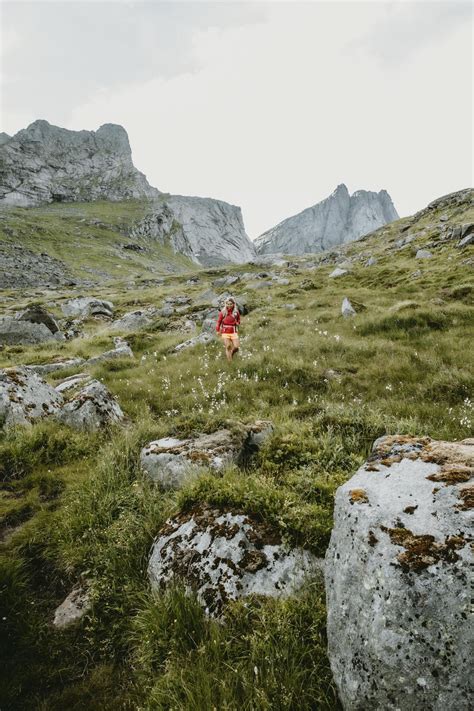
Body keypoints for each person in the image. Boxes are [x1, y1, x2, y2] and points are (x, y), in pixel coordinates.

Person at [216, 296, 241, 362]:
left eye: (231, 304)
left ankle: (232, 353)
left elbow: (239, 320)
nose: (229, 305)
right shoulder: (223, 312)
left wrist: (237, 323)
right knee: (228, 346)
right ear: (226, 304)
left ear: (233, 304)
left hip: (234, 331)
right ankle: (230, 362)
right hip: (225, 332)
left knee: (236, 347)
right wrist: (218, 330)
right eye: (228, 304)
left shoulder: (236, 312)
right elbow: (219, 321)